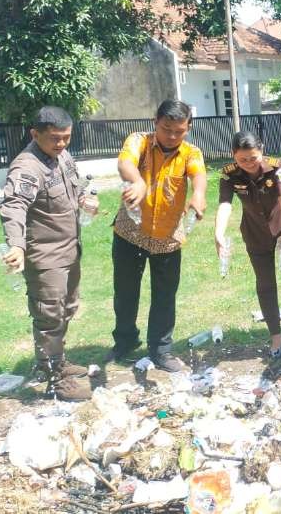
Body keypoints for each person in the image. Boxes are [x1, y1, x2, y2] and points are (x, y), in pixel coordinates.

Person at [0, 106, 97, 401]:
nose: (62, 144)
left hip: (69, 249)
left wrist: (85, 199)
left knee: (66, 309)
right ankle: (54, 378)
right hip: (45, 257)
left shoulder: (63, 156)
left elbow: (76, 185)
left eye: (66, 138)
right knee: (49, 316)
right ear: (35, 134)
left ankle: (55, 361)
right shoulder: (27, 167)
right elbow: (14, 205)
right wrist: (16, 244)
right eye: (55, 138)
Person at [108, 100, 207, 372]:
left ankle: (161, 350)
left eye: (180, 131)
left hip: (167, 238)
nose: (173, 136)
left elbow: (198, 177)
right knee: (126, 291)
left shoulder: (190, 153)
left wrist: (198, 196)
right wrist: (138, 181)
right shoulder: (138, 141)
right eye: (167, 129)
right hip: (131, 232)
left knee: (165, 295)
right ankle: (125, 342)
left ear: (188, 129)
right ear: (155, 122)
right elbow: (124, 162)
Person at [215, 132, 281, 359]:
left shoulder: (277, 167)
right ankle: (276, 333)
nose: (248, 164)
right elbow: (225, 204)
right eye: (242, 159)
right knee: (265, 282)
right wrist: (218, 233)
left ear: (261, 151)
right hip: (255, 232)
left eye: (253, 158)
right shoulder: (228, 175)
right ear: (234, 156)